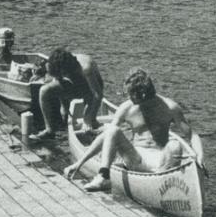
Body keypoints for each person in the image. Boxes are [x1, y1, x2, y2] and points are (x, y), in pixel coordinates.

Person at [63, 68, 194, 192]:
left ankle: (162, 183)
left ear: (142, 94)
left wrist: (199, 158)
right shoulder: (126, 108)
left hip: (161, 160)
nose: (129, 97)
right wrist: (79, 164)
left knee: (175, 144)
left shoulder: (170, 107)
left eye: (131, 94)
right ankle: (103, 177)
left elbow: (192, 136)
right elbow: (108, 135)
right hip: (136, 158)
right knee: (113, 130)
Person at [28, 47, 104, 142]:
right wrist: (63, 105)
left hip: (90, 89)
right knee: (44, 90)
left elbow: (98, 94)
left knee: (89, 122)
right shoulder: (55, 64)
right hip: (74, 84)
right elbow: (59, 80)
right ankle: (49, 130)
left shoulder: (86, 67)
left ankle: (92, 123)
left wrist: (88, 118)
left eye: (64, 73)